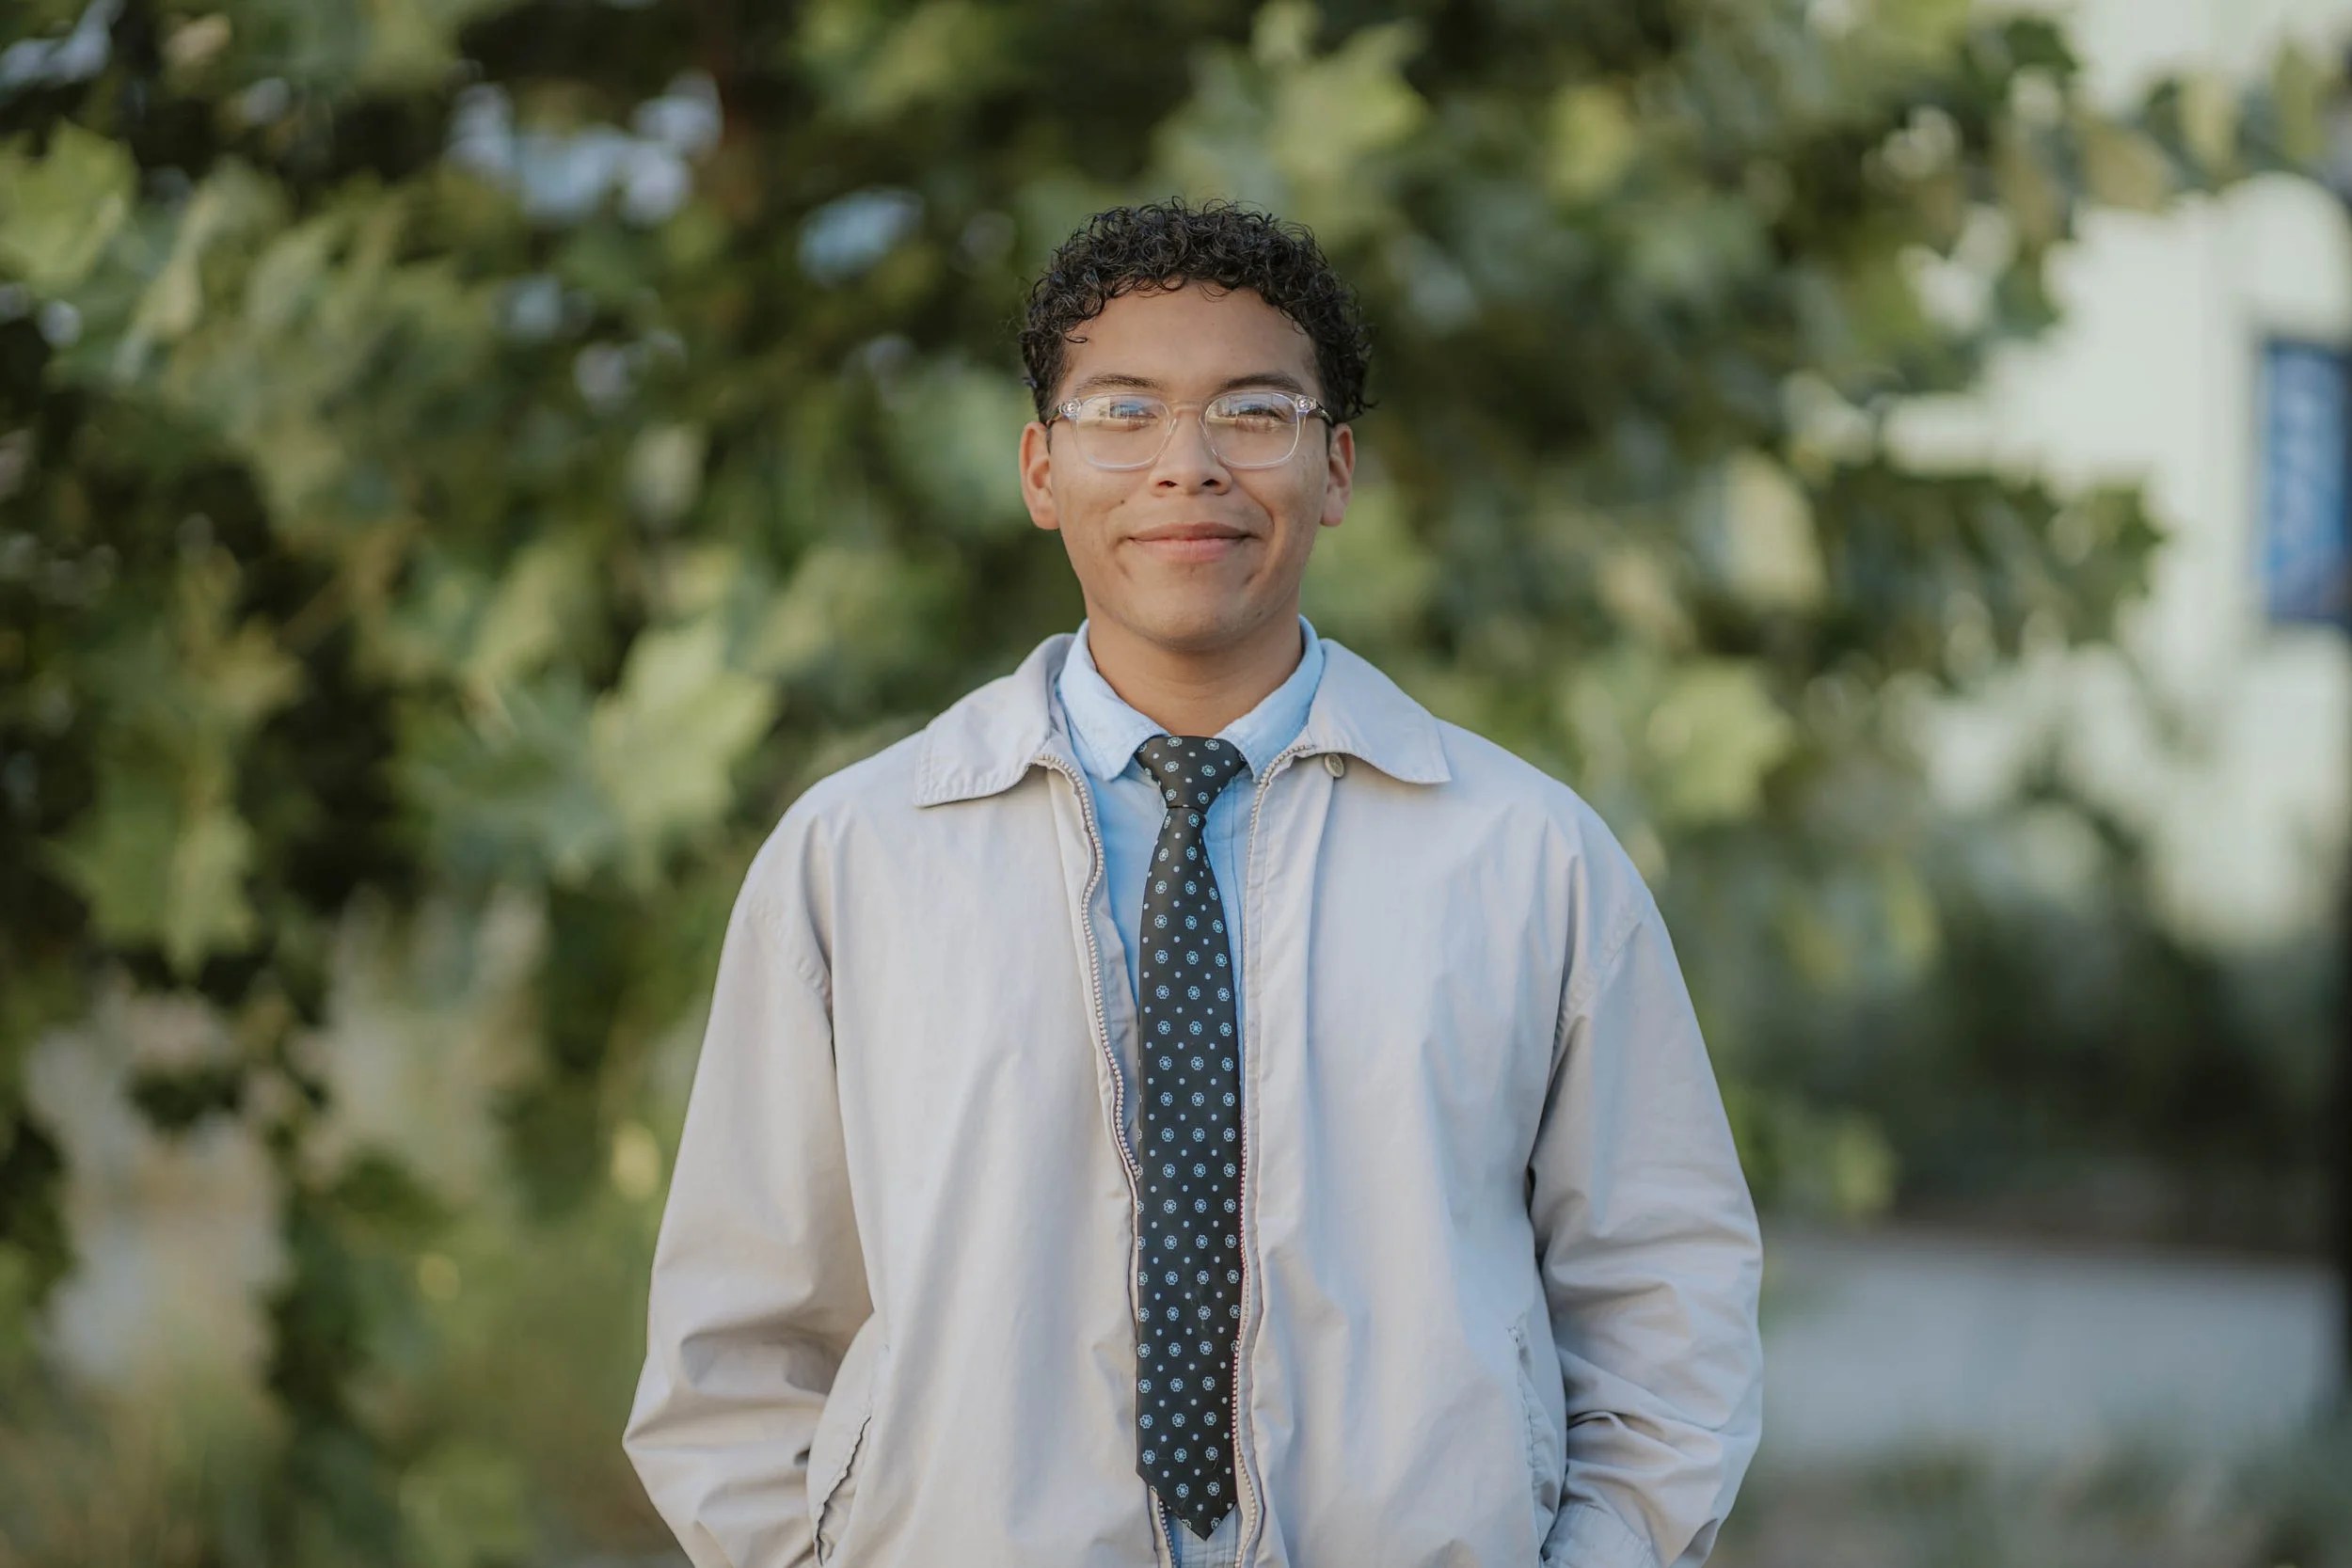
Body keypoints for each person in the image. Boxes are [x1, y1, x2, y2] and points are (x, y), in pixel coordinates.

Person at [623, 199, 1763, 1568]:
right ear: (1042, 470)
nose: (1187, 465)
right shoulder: (857, 857)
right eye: (1123, 411)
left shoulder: (1530, 859)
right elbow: (738, 1340)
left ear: (1334, 467)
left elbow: (1666, 1297)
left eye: (1253, 412)